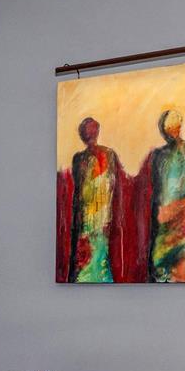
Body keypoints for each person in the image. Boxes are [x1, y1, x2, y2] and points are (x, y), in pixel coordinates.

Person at [144, 107, 185, 282]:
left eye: (170, 128)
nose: (167, 133)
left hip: (179, 217)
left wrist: (178, 210)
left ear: (178, 128)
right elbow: (158, 188)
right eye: (165, 129)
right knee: (162, 264)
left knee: (180, 262)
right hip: (166, 219)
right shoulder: (159, 155)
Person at [67, 116, 121, 282]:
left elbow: (80, 193)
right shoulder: (108, 154)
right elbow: (110, 185)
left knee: (91, 259)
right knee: (95, 258)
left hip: (92, 218)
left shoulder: (81, 159)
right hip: (98, 217)